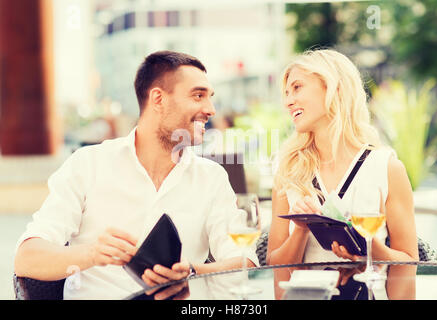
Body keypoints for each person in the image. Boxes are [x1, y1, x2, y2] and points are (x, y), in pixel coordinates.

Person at [14, 51, 258, 300]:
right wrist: (92, 254)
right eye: (198, 96)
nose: (211, 110)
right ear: (158, 99)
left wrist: (193, 272)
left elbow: (244, 261)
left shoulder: (212, 177)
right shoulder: (88, 164)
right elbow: (26, 259)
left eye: (210, 98)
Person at [266, 49, 419, 300]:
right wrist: (302, 229)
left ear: (333, 88)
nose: (288, 101)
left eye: (297, 88)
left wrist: (369, 249)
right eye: (286, 93)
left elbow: (408, 264)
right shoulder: (288, 169)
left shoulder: (386, 167)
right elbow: (276, 266)